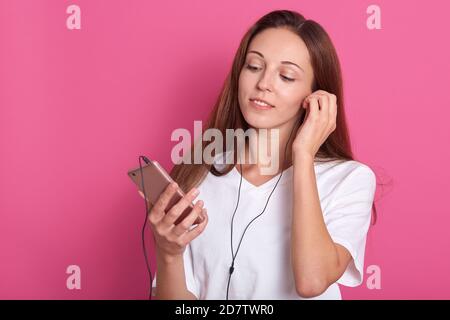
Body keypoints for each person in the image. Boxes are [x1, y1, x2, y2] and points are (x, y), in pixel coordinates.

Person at [146, 9, 377, 300]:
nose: (263, 84)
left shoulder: (349, 179)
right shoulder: (199, 174)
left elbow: (312, 281)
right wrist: (168, 254)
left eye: (286, 75)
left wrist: (303, 154)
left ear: (316, 95)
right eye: (254, 66)